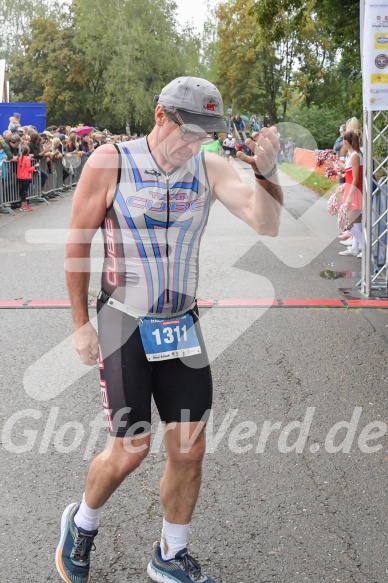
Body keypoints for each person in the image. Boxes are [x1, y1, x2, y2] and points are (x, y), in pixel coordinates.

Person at [58, 76, 283, 583]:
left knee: (190, 446)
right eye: (189, 131)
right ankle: (82, 522)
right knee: (130, 449)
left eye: (206, 134)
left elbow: (264, 223)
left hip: (180, 323)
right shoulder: (110, 162)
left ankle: (170, 553)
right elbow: (77, 244)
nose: (195, 143)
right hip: (123, 321)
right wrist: (79, 324)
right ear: (161, 116)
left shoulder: (208, 165)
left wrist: (268, 177)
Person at [337, 130, 363, 257]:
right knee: (356, 220)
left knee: (348, 221)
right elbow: (349, 175)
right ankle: (355, 248)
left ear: (346, 142)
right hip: (351, 189)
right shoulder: (353, 155)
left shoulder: (355, 156)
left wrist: (350, 195)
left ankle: (364, 246)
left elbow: (356, 178)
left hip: (355, 191)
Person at [16, 145, 39, 211]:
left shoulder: (20, 158)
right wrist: (35, 166)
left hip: (20, 177)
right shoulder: (27, 158)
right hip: (26, 177)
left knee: (23, 191)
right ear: (28, 151)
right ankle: (23, 206)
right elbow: (29, 169)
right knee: (25, 192)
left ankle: (25, 205)